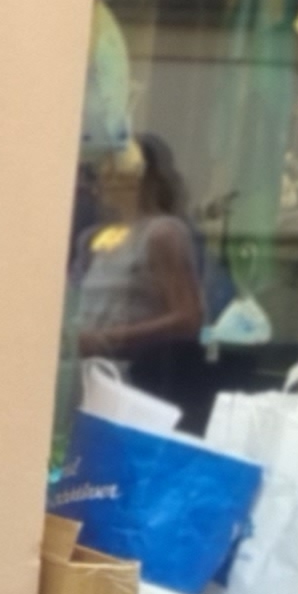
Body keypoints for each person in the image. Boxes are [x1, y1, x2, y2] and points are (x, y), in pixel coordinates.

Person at [73, 135, 209, 424]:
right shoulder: (96, 238)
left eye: (117, 171)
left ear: (143, 178)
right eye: (102, 171)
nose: (104, 180)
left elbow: (188, 317)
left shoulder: (162, 233)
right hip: (88, 376)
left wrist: (110, 338)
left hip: (132, 385)